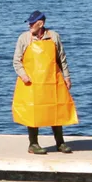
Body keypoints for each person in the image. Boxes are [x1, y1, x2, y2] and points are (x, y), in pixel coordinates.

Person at [12, 11, 78, 155]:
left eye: (32, 23)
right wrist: (23, 76)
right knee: (33, 112)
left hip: (51, 81)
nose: (29, 25)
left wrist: (66, 77)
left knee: (56, 109)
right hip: (32, 84)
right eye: (29, 23)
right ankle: (33, 144)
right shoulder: (24, 38)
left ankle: (60, 143)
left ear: (40, 23)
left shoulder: (54, 36)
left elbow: (62, 58)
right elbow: (16, 61)